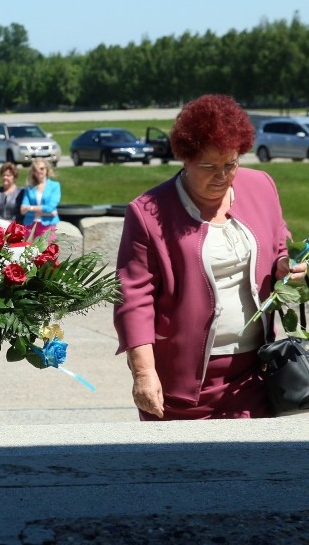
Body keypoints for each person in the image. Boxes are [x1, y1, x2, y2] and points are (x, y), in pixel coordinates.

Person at [114, 94, 308, 421]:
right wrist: (144, 373)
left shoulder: (261, 185)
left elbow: (278, 242)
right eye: (208, 166)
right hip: (180, 388)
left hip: (254, 376)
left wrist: (286, 265)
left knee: (253, 468)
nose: (221, 175)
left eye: (230, 164)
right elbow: (133, 298)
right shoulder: (147, 212)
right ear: (185, 159)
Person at [19, 158, 61, 238]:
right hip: (30, 226)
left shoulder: (55, 186)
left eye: (42, 168)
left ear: (47, 169)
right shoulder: (29, 188)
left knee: (48, 250)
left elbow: (50, 207)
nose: (39, 172)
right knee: (29, 250)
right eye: (35, 169)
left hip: (48, 226)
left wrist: (30, 208)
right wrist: (47, 213)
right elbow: (22, 210)